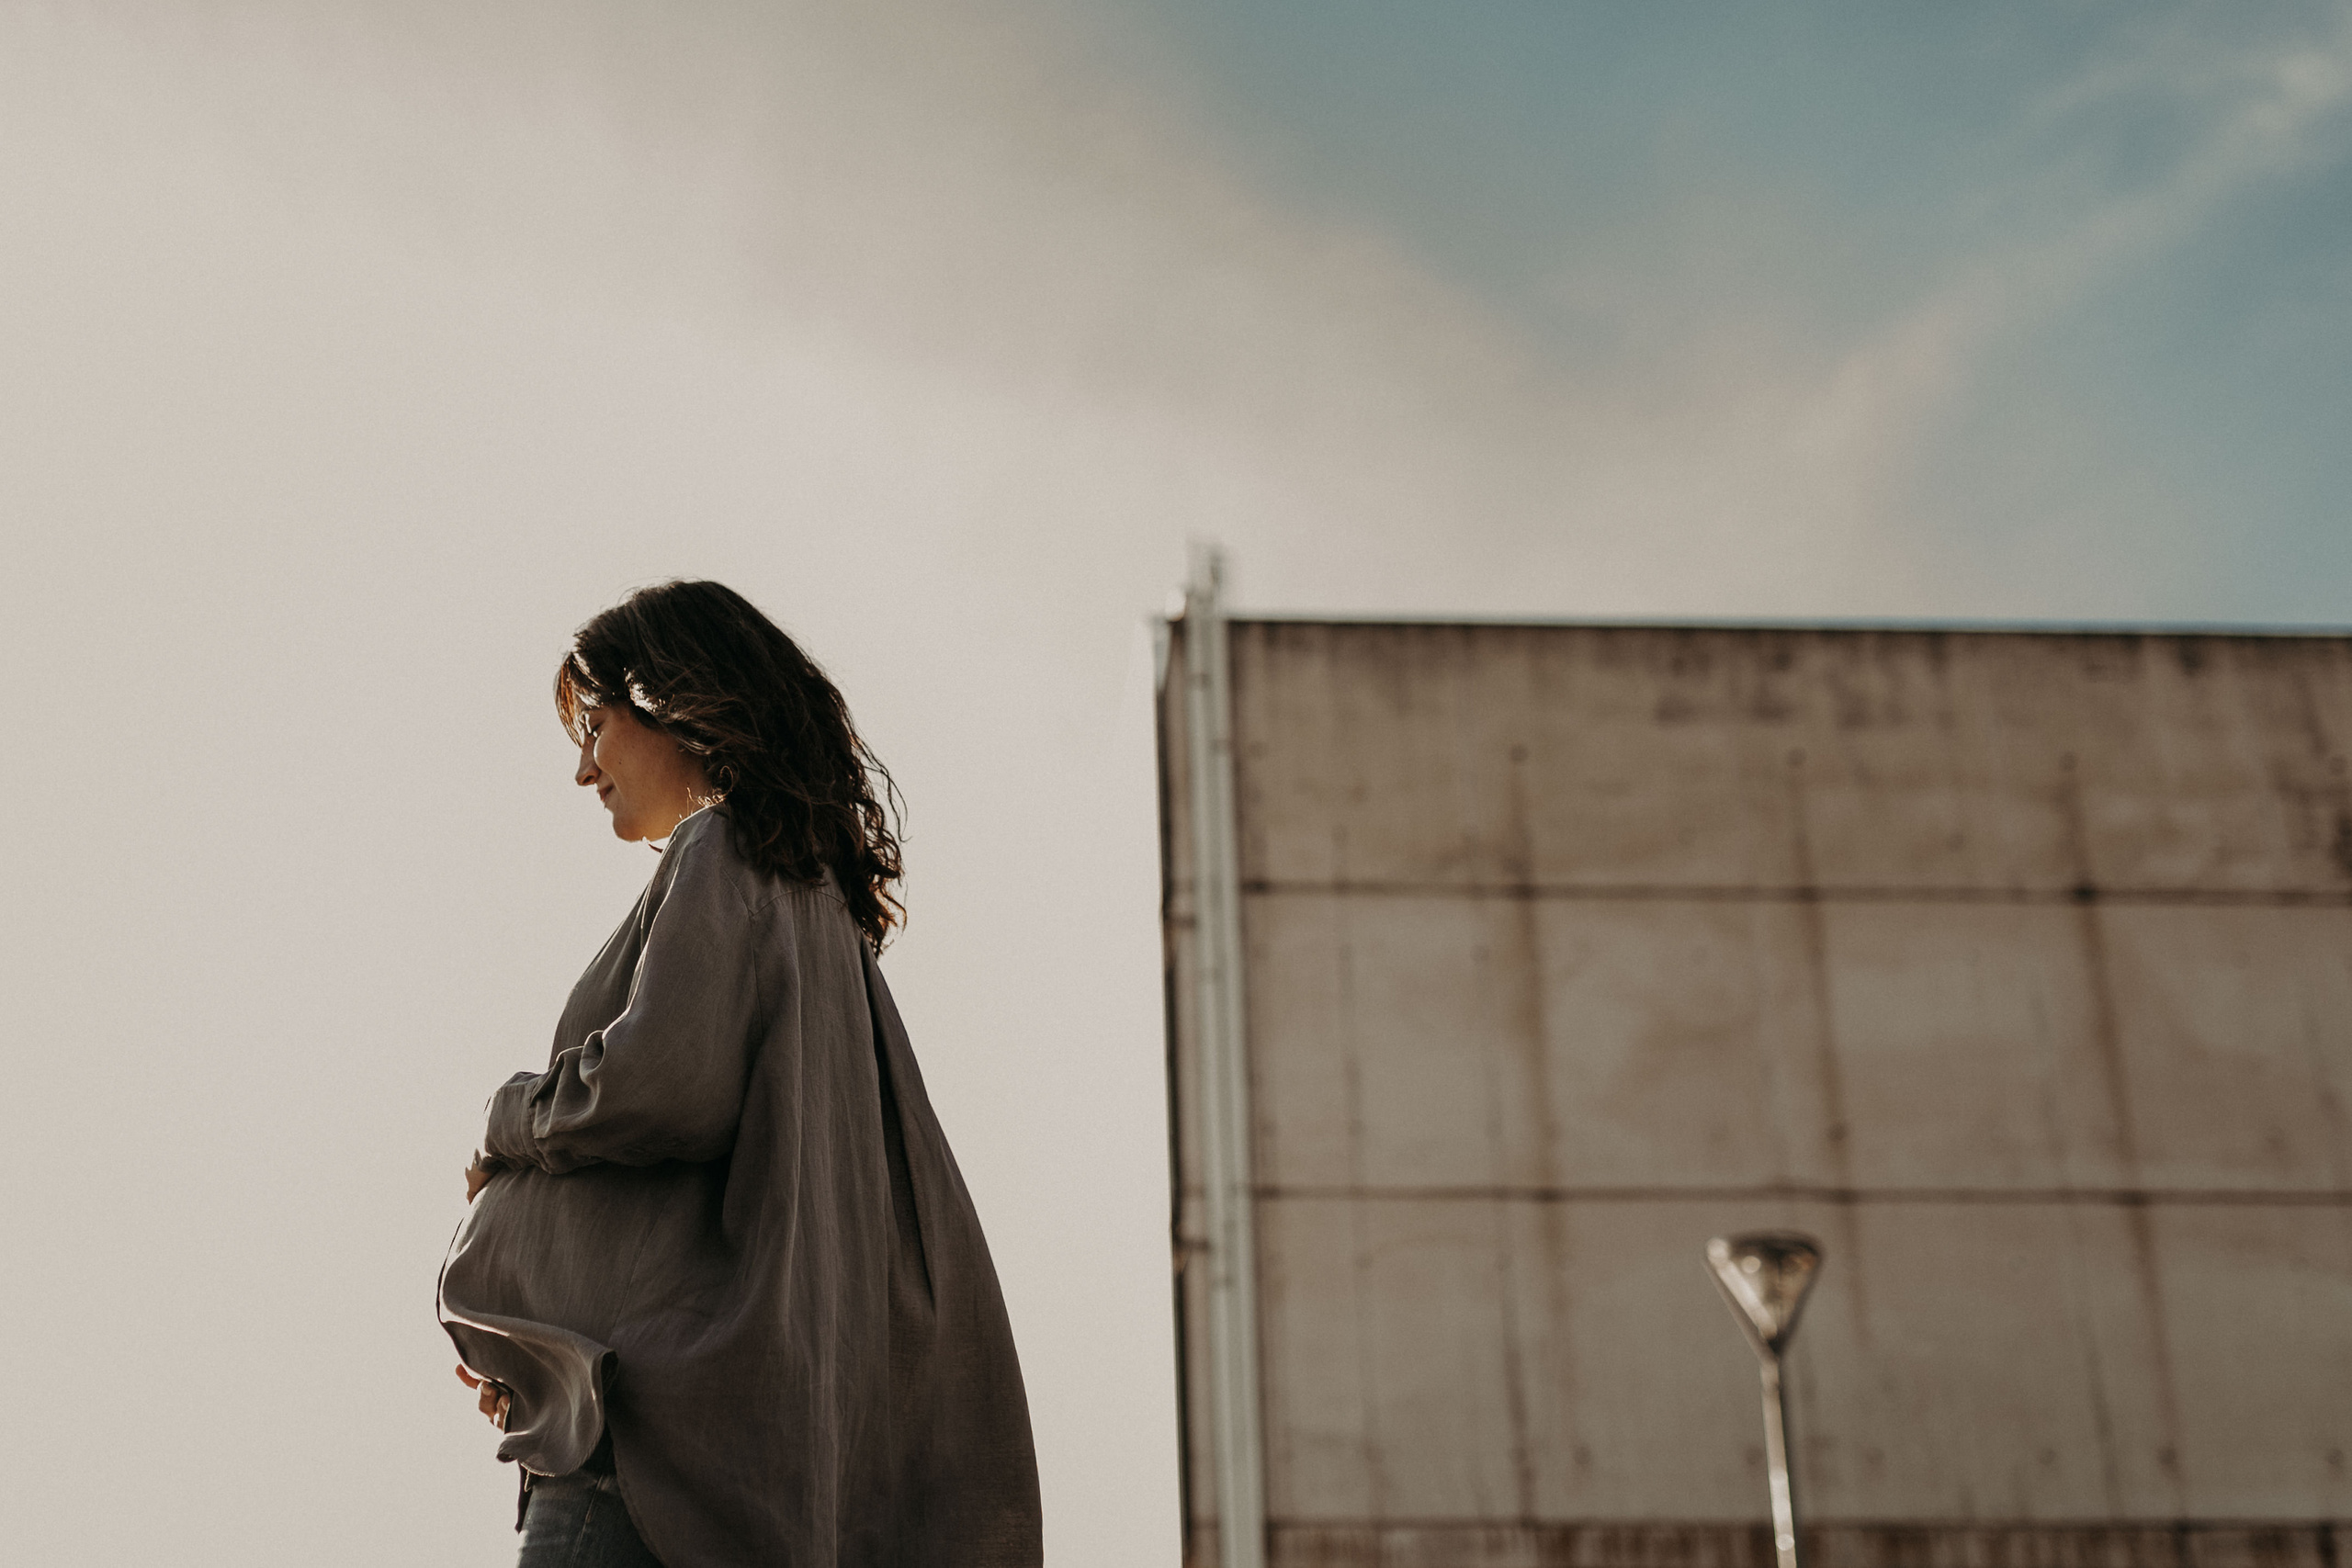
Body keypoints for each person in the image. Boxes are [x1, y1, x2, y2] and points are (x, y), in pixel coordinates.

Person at [437, 580, 1043, 1568]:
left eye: (594, 726)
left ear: (672, 701)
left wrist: (508, 1126)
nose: (583, 770)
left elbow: (658, 1086)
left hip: (647, 1468)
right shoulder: (813, 912)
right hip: (711, 1469)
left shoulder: (722, 850)